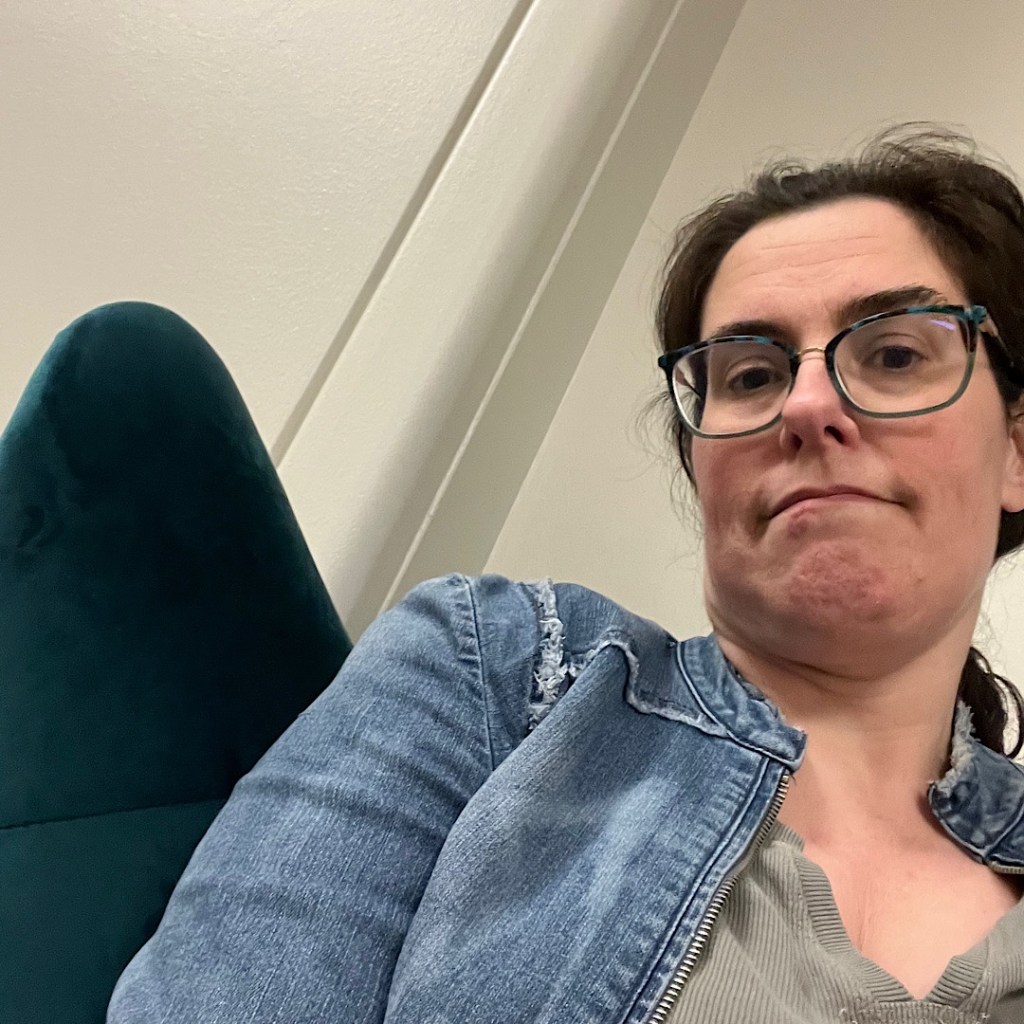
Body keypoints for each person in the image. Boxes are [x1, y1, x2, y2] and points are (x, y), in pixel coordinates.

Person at [108, 125, 1024, 1023]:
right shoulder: (495, 670)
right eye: (750, 375)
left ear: (1017, 452)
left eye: (896, 354)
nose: (808, 402)